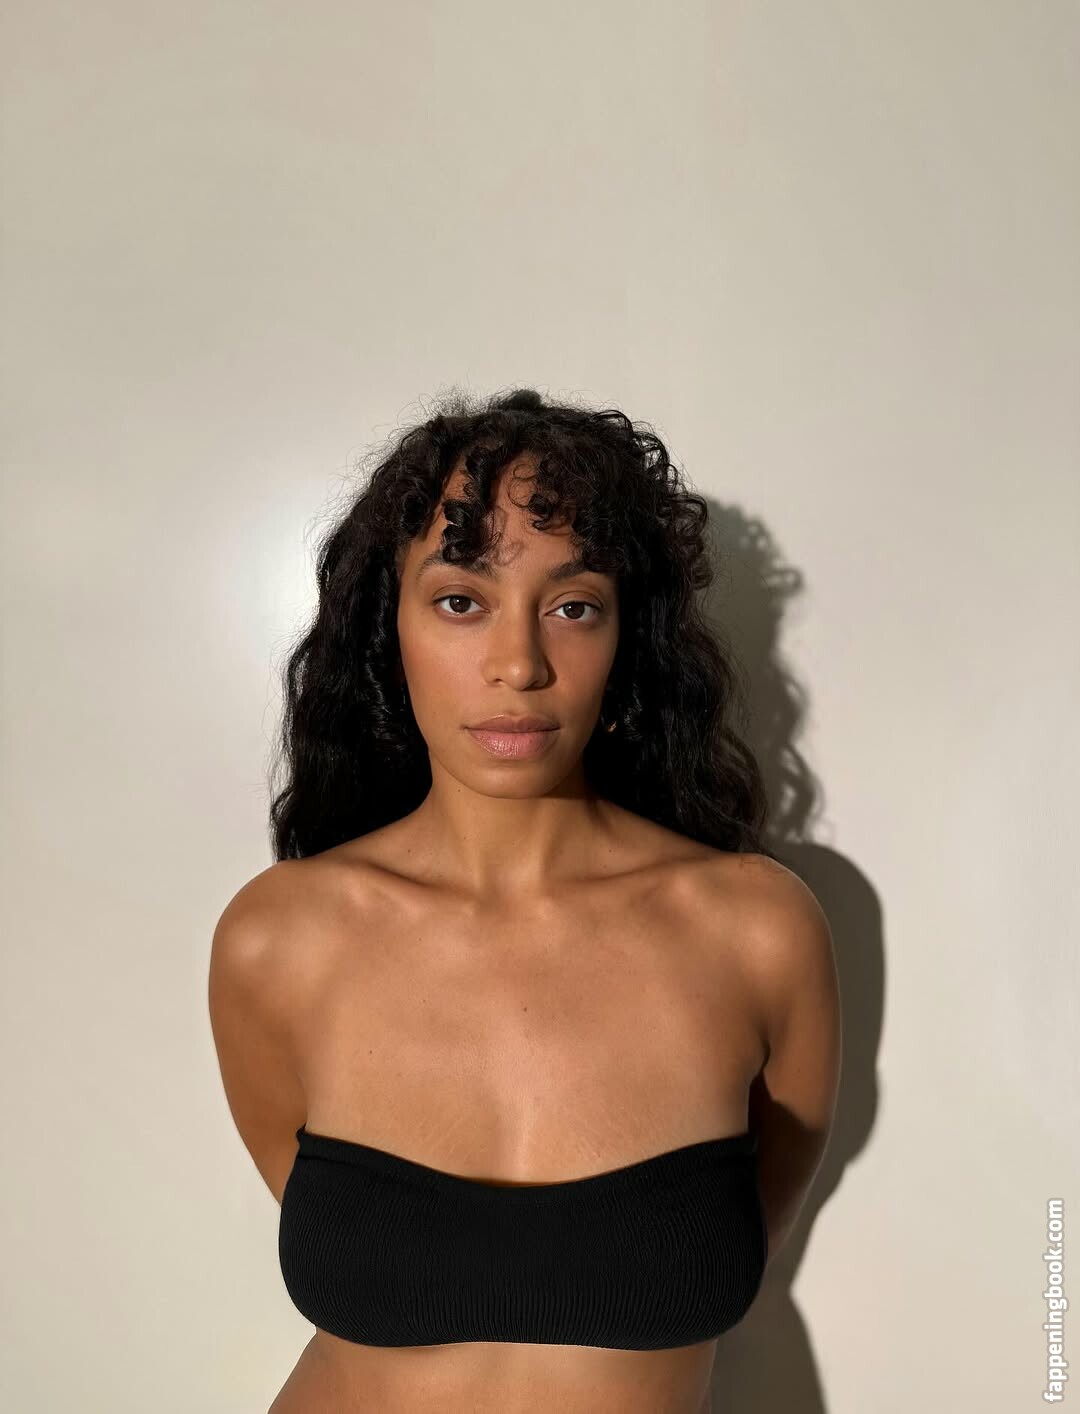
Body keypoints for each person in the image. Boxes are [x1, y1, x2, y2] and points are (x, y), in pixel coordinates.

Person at [208, 387, 841, 1414]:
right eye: (462, 601)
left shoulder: (756, 935)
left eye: (573, 605)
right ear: (389, 630)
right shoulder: (278, 941)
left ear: (628, 637)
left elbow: (758, 1218)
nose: (518, 665)